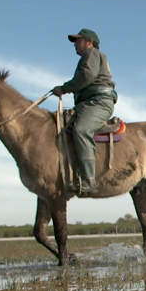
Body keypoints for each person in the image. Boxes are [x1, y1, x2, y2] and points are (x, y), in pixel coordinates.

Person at [52, 28, 117, 194]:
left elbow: (86, 76)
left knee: (82, 130)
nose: (75, 44)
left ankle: (89, 180)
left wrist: (64, 88)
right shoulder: (91, 56)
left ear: (89, 42)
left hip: (98, 102)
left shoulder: (92, 53)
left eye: (78, 40)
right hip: (87, 103)